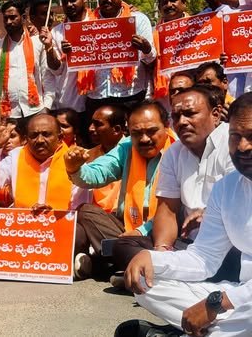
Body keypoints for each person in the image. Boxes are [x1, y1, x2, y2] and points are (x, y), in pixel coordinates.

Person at [120, 93, 252, 337]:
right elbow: (204, 257)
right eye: (236, 137)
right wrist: (152, 258)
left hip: (241, 302)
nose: (243, 147)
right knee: (146, 283)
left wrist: (216, 303)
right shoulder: (227, 187)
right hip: (241, 294)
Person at [112, 86, 238, 287]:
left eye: (190, 114)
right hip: (190, 246)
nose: (182, 122)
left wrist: (210, 213)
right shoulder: (173, 153)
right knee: (124, 246)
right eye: (176, 116)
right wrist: (162, 255)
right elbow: (167, 210)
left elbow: (242, 201)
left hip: (229, 245)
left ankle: (154, 281)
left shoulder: (234, 143)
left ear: (215, 114)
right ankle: (163, 278)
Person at [64, 100, 175, 280]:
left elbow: (176, 211)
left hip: (163, 234)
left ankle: (110, 264)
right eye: (137, 133)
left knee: (128, 244)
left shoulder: (178, 151)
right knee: (87, 211)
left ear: (167, 126)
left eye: (152, 131)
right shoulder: (126, 148)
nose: (145, 139)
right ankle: (129, 265)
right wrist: (75, 168)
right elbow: (98, 173)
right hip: (125, 230)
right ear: (128, 132)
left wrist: (142, 231)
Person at [46, 0, 157, 118]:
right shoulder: (86, 24)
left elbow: (151, 61)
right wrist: (69, 52)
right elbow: (74, 60)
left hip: (131, 96)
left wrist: (146, 49)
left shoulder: (138, 20)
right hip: (97, 98)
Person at [0, 112, 83, 211]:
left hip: (61, 224)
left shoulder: (74, 160)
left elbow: (80, 206)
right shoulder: (15, 157)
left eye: (46, 134)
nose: (40, 140)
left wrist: (52, 214)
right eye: (34, 135)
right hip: (22, 225)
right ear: (26, 139)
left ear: (60, 138)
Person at [0, 0, 53, 125]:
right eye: (5, 18)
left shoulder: (37, 43)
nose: (8, 22)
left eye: (13, 17)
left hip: (36, 110)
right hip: (9, 113)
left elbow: (47, 77)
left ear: (23, 18)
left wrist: (47, 107)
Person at [85, 105, 126, 214]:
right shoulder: (88, 155)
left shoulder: (134, 153)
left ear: (116, 129)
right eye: (92, 123)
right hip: (95, 218)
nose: (91, 128)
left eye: (98, 124)